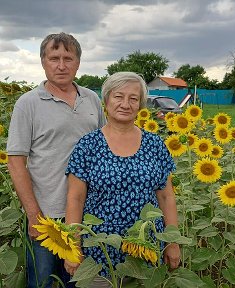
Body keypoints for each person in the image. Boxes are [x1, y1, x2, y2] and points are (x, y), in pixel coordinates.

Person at [6, 32, 106, 288]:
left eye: (68, 58)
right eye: (54, 58)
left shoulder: (92, 99)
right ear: (43, 62)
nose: (61, 65)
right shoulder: (27, 103)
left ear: (78, 63)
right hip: (47, 217)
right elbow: (16, 162)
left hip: (87, 216)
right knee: (42, 282)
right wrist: (34, 215)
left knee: (81, 283)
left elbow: (104, 148)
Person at [64, 72, 181, 287]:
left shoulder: (155, 145)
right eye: (118, 96)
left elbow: (166, 197)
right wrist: (73, 247)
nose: (125, 104)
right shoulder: (88, 145)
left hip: (146, 250)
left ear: (140, 105)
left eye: (133, 98)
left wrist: (172, 242)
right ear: (106, 100)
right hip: (99, 254)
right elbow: (75, 199)